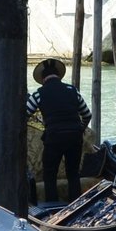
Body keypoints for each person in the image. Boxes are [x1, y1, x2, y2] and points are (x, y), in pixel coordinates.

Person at [27, 58, 92, 202]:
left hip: (54, 137)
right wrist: (80, 129)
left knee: (49, 174)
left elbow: (24, 114)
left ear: (43, 79)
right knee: (73, 174)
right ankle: (75, 204)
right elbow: (87, 115)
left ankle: (52, 205)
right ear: (59, 76)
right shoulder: (72, 91)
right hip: (75, 137)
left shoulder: (39, 93)